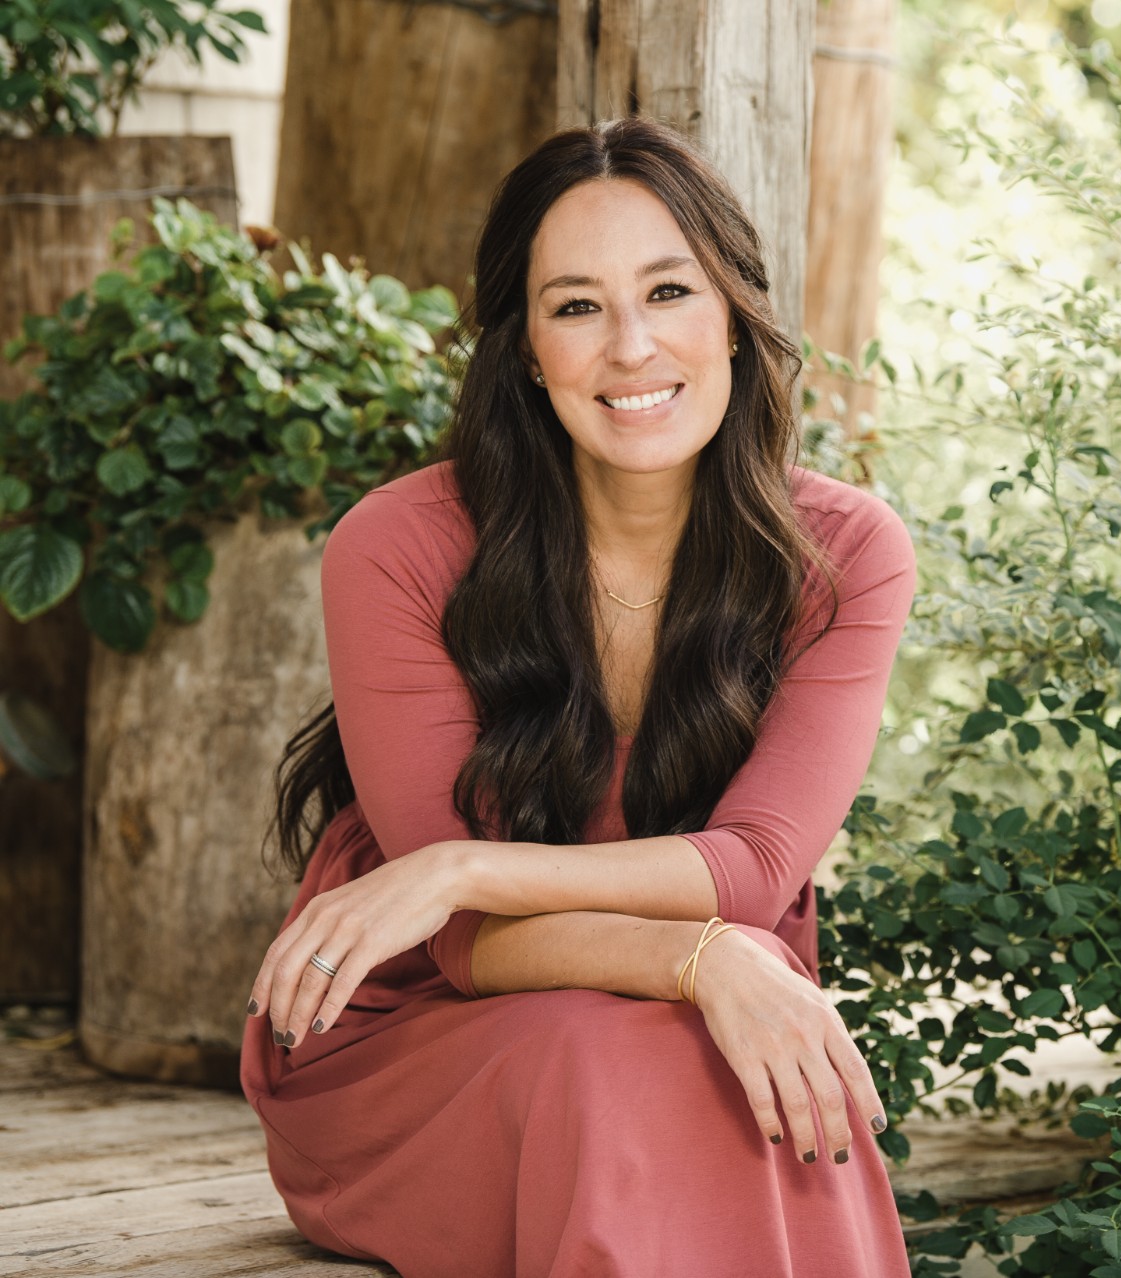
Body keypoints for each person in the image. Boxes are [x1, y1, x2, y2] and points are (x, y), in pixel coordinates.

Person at [241, 115, 915, 1278]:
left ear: (738, 321)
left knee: (721, 1065)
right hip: (420, 1039)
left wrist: (459, 864)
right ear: (523, 351)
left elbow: (753, 865)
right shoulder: (395, 547)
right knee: (618, 1061)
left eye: (668, 292)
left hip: (715, 1007)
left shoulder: (845, 553)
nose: (631, 349)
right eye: (576, 306)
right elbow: (459, 942)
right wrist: (704, 958)